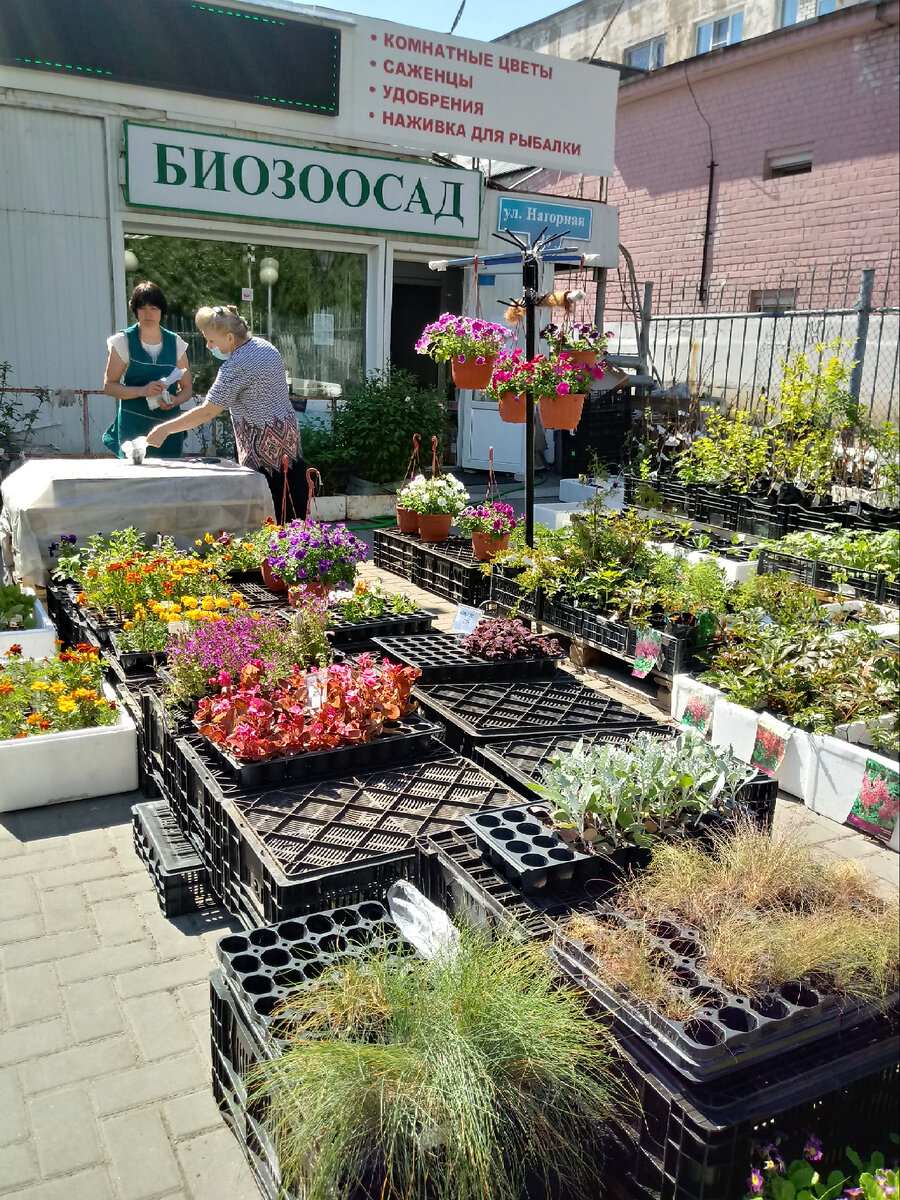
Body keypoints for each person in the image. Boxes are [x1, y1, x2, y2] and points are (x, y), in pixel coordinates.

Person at [145, 306, 305, 517]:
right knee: (296, 518)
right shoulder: (265, 347)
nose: (208, 345)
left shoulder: (238, 363)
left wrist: (164, 429)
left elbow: (207, 412)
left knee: (271, 522)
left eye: (211, 340)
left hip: (265, 459)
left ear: (230, 338)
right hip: (289, 446)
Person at [102, 281, 193, 458]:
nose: (148, 313)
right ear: (135, 310)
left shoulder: (176, 343)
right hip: (133, 430)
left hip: (168, 429)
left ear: (161, 310)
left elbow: (187, 388)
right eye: (142, 307)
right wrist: (142, 391)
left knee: (171, 482)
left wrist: (174, 401)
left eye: (153, 307)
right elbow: (109, 386)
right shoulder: (122, 341)